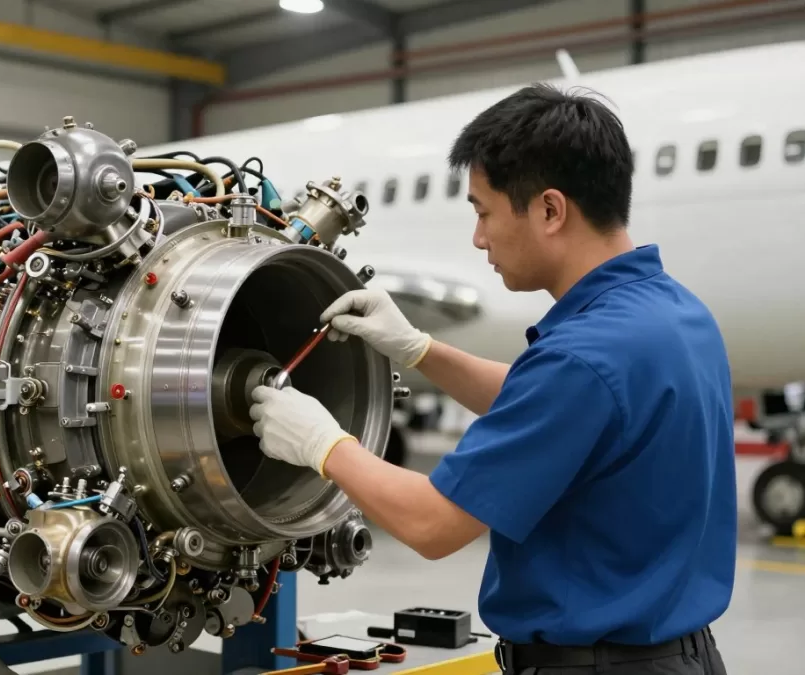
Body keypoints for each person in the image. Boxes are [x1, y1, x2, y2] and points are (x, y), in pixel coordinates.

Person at [249, 84, 735, 675]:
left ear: (550, 210)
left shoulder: (583, 357)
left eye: (483, 211)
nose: (479, 238)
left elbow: (431, 524)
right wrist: (419, 349)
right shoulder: (674, 313)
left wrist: (321, 444)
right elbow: (551, 407)